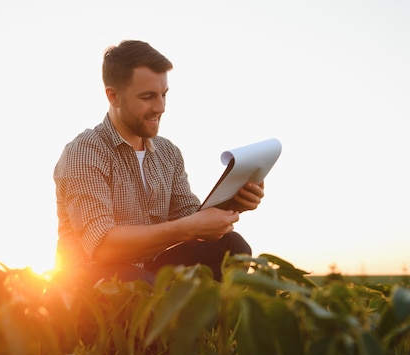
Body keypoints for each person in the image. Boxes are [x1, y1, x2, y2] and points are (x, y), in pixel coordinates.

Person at [53, 40, 265, 285]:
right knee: (135, 280)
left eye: (163, 95)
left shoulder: (168, 152)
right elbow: (102, 248)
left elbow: (192, 220)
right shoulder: (85, 151)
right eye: (148, 97)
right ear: (114, 96)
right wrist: (189, 227)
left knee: (232, 246)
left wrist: (234, 203)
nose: (161, 107)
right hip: (89, 284)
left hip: (149, 272)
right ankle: (183, 317)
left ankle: (207, 319)